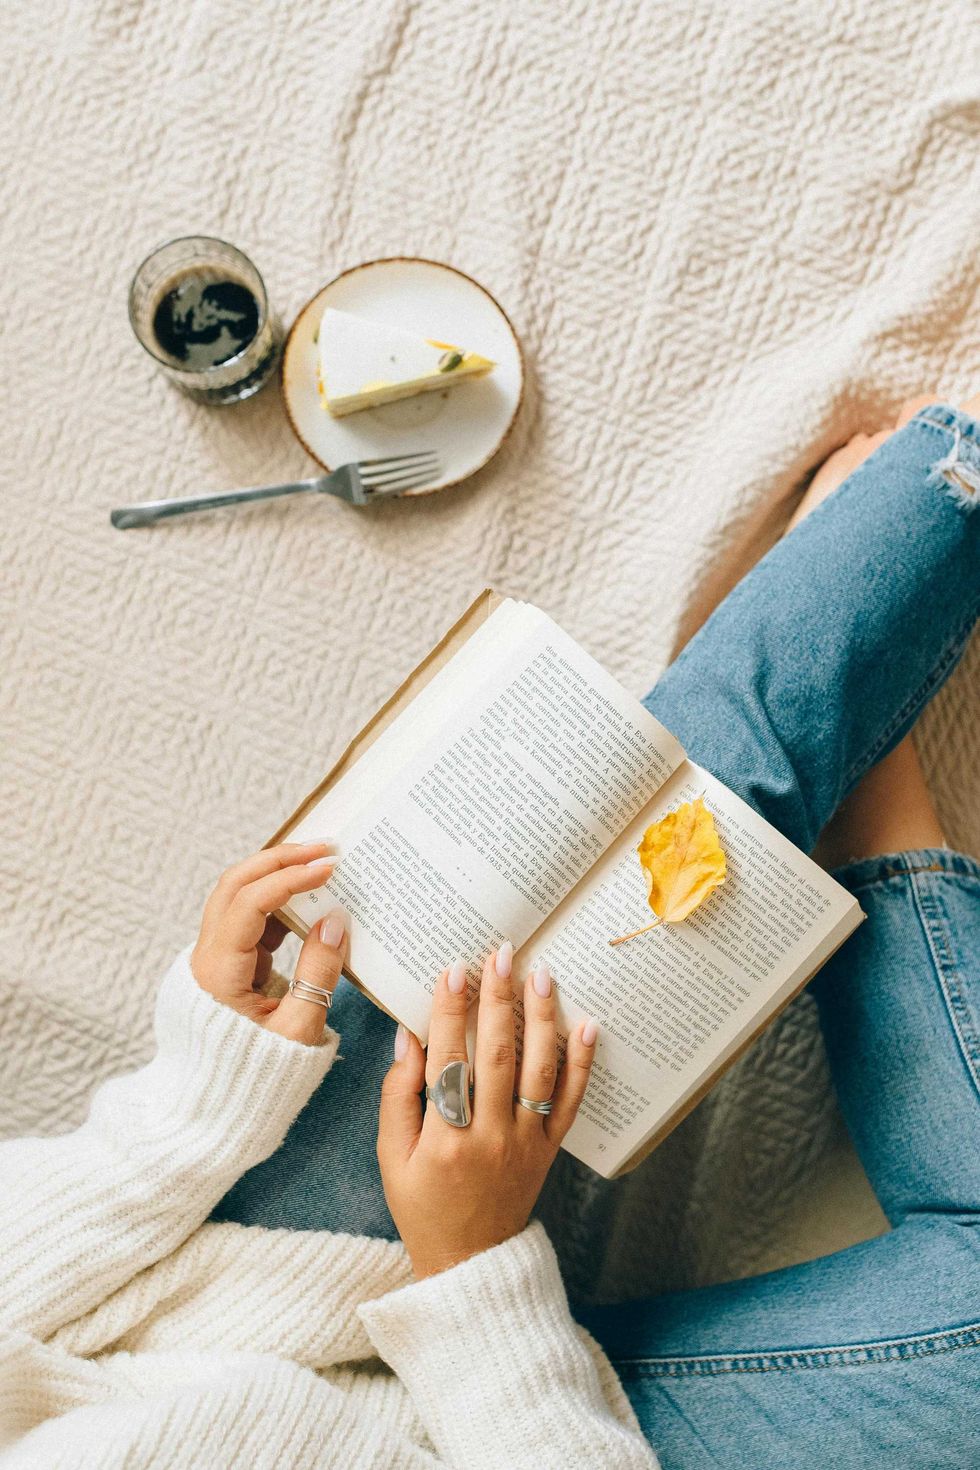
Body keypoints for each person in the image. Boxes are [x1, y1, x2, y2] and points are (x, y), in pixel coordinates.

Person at [1, 399, 977, 1468]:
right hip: (523, 1435)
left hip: (249, 1289)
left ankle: (927, 524)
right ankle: (870, 794)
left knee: (653, 806)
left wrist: (197, 1104)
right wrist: (473, 1268)